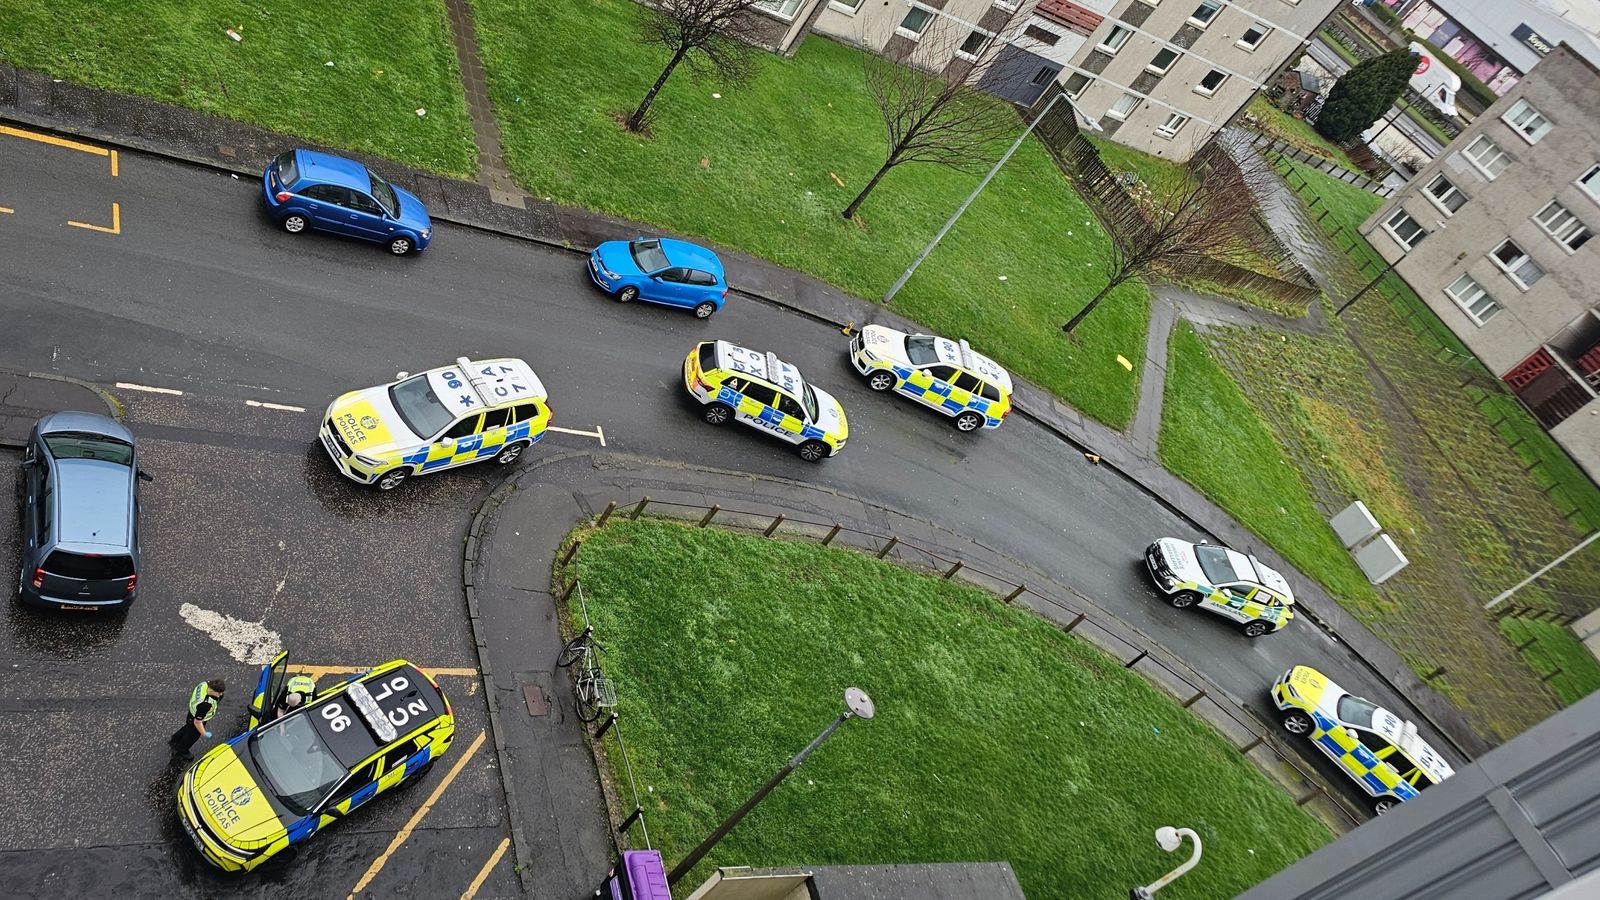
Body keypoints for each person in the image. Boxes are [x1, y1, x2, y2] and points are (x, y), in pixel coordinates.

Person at [169, 679, 225, 756]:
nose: (221, 694)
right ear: (212, 690)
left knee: (187, 728)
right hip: (197, 717)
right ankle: (182, 750)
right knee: (192, 736)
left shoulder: (204, 684)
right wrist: (204, 733)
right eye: (219, 692)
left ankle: (175, 739)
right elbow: (197, 722)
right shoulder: (205, 705)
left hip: (191, 713)